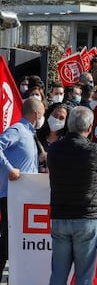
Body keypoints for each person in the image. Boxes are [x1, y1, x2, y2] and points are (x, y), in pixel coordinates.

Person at [47, 106, 97, 284]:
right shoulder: (94, 150)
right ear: (89, 129)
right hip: (86, 219)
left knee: (58, 275)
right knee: (84, 277)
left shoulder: (54, 149)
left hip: (60, 218)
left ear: (69, 125)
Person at [0, 98, 45, 276]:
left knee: (17, 240)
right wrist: (10, 169)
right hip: (12, 195)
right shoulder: (17, 130)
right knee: (7, 240)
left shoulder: (30, 134)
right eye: (42, 113)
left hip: (25, 197)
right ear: (36, 114)